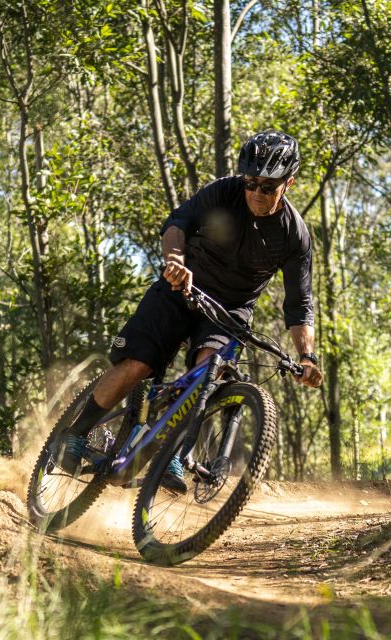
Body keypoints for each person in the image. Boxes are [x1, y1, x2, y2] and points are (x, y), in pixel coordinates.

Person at [60, 130, 324, 492]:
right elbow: (177, 224)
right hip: (181, 289)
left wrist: (306, 357)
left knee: (207, 373)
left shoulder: (295, 235)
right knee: (138, 364)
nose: (255, 193)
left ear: (288, 183)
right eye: (250, 182)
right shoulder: (224, 192)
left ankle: (167, 452)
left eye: (267, 186)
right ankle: (75, 433)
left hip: (229, 312)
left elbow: (299, 305)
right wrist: (174, 262)